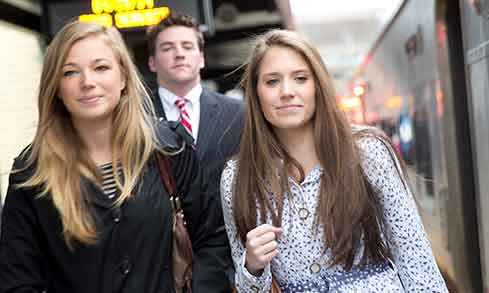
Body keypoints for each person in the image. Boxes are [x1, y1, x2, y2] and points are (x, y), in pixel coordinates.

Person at [0, 20, 230, 293]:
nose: (88, 82)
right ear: (56, 87)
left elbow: (212, 240)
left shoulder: (168, 147)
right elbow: (17, 279)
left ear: (122, 77)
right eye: (70, 72)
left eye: (101, 68)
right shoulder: (31, 171)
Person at [220, 29, 448, 292]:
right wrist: (252, 266)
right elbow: (248, 288)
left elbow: (414, 255)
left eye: (300, 78)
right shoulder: (237, 177)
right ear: (256, 94)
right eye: (272, 81)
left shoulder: (368, 152)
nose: (286, 91)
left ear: (318, 86)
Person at [146, 12, 244, 200]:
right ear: (152, 62)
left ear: (201, 59)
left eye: (187, 46)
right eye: (167, 48)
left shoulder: (238, 113)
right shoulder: (135, 117)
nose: (179, 54)